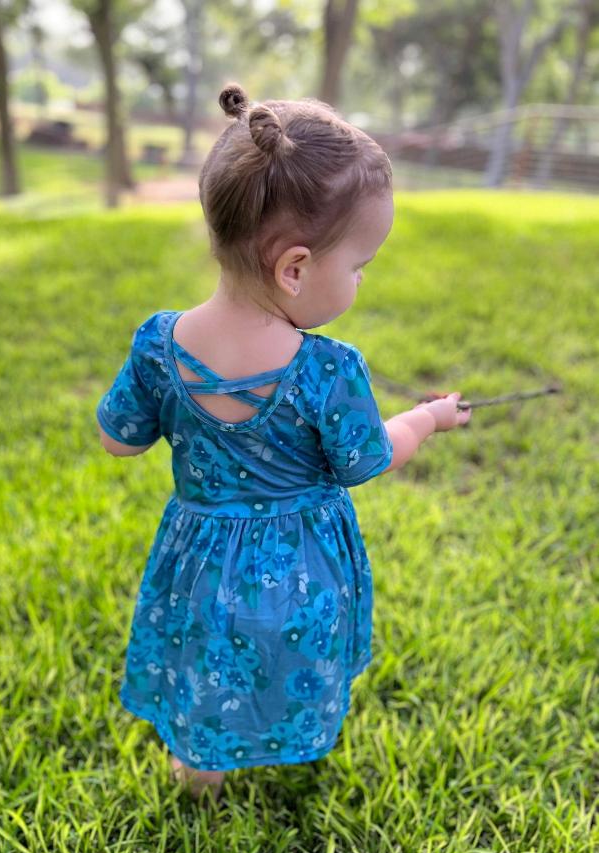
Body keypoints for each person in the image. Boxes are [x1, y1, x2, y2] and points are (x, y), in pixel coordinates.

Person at [96, 82, 471, 803]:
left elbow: (118, 440)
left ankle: (198, 768)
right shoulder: (328, 370)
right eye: (358, 266)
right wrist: (425, 419)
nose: (360, 280)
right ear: (295, 268)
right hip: (300, 566)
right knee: (286, 648)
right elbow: (370, 459)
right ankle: (282, 734)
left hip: (199, 563)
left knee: (206, 654)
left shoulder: (156, 344)